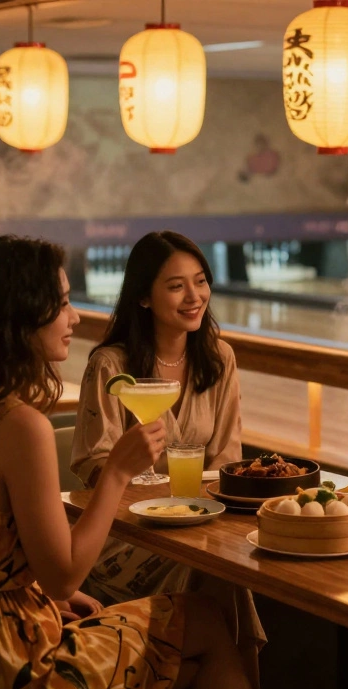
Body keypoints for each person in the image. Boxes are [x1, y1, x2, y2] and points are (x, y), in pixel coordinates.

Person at [0, 235, 256, 689]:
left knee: (189, 661)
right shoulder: (20, 427)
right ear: (17, 319)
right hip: (15, 671)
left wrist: (35, 596)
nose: (75, 317)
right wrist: (119, 471)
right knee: (207, 622)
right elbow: (63, 576)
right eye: (61, 304)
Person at [72, 231, 244, 602]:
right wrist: (143, 484)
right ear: (144, 297)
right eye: (176, 286)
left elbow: (228, 460)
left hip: (198, 525)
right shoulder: (111, 367)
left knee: (229, 567)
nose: (194, 296)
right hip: (125, 534)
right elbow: (93, 463)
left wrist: (194, 511)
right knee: (208, 571)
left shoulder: (220, 359)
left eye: (200, 282)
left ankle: (210, 656)